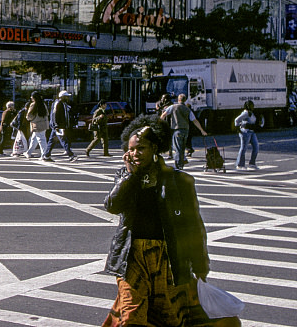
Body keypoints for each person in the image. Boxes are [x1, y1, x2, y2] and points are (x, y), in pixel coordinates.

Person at [102, 115, 239, 327]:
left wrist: (200, 263)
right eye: (131, 149)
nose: (134, 154)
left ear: (155, 147)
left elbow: (193, 224)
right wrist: (130, 177)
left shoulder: (179, 180)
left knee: (168, 317)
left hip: (167, 257)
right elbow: (112, 205)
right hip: (132, 257)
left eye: (141, 148)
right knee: (131, 315)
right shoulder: (125, 175)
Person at [160, 93, 207, 169]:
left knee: (177, 148)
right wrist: (202, 130)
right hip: (185, 130)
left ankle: (178, 165)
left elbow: (164, 115)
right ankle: (181, 162)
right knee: (182, 148)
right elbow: (194, 120)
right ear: (185, 100)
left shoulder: (173, 107)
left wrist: (159, 123)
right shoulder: (187, 109)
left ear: (178, 100)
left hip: (176, 129)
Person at [42, 90, 76, 161]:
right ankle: (71, 154)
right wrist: (56, 125)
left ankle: (46, 155)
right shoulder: (58, 103)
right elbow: (54, 114)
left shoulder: (63, 103)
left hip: (57, 126)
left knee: (51, 141)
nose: (67, 98)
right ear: (62, 97)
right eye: (66, 96)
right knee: (63, 140)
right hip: (58, 126)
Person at [234, 100, 259, 171]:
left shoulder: (251, 113)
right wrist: (238, 129)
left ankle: (252, 163)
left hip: (251, 131)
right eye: (251, 105)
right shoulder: (246, 113)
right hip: (245, 132)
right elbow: (236, 120)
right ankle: (240, 164)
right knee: (243, 148)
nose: (253, 106)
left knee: (256, 147)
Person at [23, 92, 49, 159]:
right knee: (34, 139)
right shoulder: (43, 104)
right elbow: (47, 114)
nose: (31, 98)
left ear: (34, 97)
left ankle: (44, 155)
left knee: (41, 140)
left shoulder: (33, 105)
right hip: (44, 124)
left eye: (32, 96)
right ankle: (28, 152)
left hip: (36, 124)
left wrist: (30, 119)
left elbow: (29, 116)